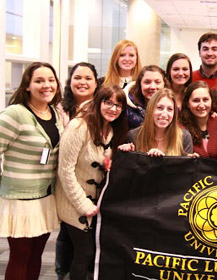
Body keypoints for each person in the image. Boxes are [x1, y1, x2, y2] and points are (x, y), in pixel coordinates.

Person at [56, 84, 128, 280]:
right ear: (98, 102)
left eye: (118, 105)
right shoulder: (78, 126)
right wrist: (83, 204)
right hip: (73, 202)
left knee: (91, 254)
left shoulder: (111, 129)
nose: (113, 109)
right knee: (85, 252)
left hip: (94, 204)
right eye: (108, 102)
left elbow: (102, 160)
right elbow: (65, 171)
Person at [0, 62, 63, 280]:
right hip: (20, 199)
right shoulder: (15, 114)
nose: (46, 85)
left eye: (51, 80)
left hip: (45, 197)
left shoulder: (54, 113)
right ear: (27, 85)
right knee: (20, 256)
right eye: (39, 81)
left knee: (37, 254)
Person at [55, 61, 98, 279]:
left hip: (87, 190)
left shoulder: (100, 110)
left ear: (96, 83)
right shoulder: (60, 108)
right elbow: (65, 167)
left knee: (82, 251)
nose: (82, 82)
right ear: (69, 81)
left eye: (88, 78)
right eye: (77, 77)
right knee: (73, 248)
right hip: (68, 191)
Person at [122, 88, 193, 156]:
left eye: (170, 109)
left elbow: (186, 168)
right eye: (159, 108)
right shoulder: (133, 136)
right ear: (151, 109)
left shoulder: (184, 137)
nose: (164, 114)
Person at [180, 81, 217, 159]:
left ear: (212, 101)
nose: (201, 105)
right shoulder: (180, 128)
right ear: (187, 104)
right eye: (196, 100)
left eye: (205, 100)